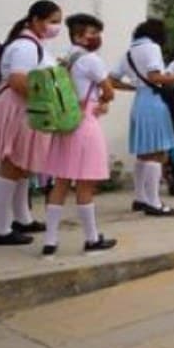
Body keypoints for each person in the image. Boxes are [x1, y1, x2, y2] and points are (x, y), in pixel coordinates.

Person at [0, 0, 64, 246]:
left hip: (26, 108)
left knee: (24, 164)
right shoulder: (26, 47)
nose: (56, 27)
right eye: (52, 21)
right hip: (19, 109)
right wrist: (48, 99)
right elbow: (18, 81)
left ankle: (22, 219)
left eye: (58, 22)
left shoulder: (34, 44)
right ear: (35, 21)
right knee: (13, 164)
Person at [39, 13, 117, 255]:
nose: (96, 37)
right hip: (85, 124)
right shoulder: (92, 60)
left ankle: (50, 241)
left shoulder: (64, 59)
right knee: (86, 184)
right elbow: (109, 91)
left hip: (66, 124)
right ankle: (92, 239)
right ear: (79, 36)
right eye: (91, 33)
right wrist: (103, 101)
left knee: (60, 182)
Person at [110, 19, 174, 217]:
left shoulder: (129, 52)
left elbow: (112, 79)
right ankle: (154, 202)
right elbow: (155, 77)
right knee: (158, 153)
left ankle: (140, 198)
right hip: (154, 102)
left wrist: (134, 87)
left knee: (144, 153)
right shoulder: (152, 47)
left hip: (140, 101)